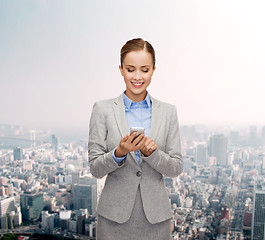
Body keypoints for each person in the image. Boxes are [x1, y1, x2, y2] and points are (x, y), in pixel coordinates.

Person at [88, 38, 182, 240]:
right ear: (121, 70)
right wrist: (118, 153)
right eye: (130, 69)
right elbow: (95, 169)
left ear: (153, 70)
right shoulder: (102, 109)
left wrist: (153, 154)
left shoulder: (168, 112)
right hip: (113, 219)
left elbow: (176, 168)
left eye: (144, 70)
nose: (137, 76)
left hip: (156, 220)